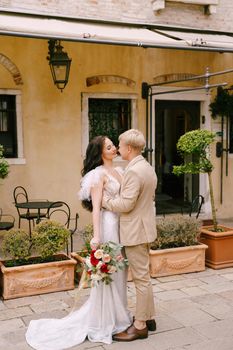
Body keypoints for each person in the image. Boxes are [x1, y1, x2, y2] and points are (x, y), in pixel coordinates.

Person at [25, 135, 132, 350]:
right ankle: (108, 319)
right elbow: (96, 209)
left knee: (122, 269)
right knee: (110, 271)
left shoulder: (120, 171)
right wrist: (97, 236)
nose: (113, 149)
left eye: (113, 145)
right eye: (109, 147)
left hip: (123, 225)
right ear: (100, 153)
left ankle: (121, 312)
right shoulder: (97, 175)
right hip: (109, 225)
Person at [102, 129, 157, 342]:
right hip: (142, 227)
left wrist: (105, 202)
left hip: (135, 230)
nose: (118, 146)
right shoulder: (146, 166)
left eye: (120, 143)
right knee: (144, 276)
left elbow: (126, 204)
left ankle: (140, 325)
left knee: (141, 279)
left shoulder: (133, 171)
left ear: (130, 148)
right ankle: (149, 317)